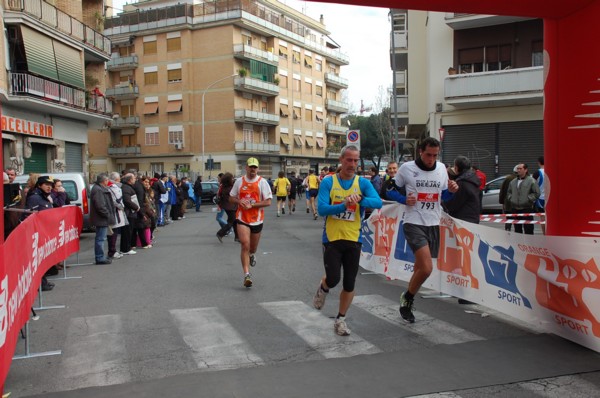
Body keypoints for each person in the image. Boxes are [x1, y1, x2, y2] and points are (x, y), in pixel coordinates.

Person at [312, 145, 383, 336]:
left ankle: (340, 319)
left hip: (354, 238)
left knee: (350, 282)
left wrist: (359, 201)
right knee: (334, 278)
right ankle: (323, 287)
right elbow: (323, 209)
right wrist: (344, 204)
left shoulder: (362, 183)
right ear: (341, 160)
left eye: (355, 160)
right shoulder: (329, 182)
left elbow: (378, 202)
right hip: (332, 238)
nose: (352, 164)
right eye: (349, 160)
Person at [393, 137, 459, 323]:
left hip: (433, 222)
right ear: (420, 152)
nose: (431, 159)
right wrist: (403, 200)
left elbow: (443, 196)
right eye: (428, 155)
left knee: (420, 267)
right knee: (427, 268)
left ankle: (408, 296)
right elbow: (388, 190)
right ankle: (407, 298)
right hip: (413, 222)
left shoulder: (441, 169)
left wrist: (452, 191)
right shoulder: (407, 168)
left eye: (434, 155)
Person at [229, 157, 273, 288]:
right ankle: (246, 274)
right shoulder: (239, 182)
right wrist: (239, 201)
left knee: (252, 248)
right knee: (244, 244)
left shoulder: (262, 182)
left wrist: (253, 206)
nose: (253, 169)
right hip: (242, 218)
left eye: (255, 167)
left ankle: (252, 254)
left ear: (258, 169)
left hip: (257, 220)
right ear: (246, 168)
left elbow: (268, 202)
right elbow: (231, 197)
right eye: (251, 167)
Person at [444, 156, 481, 224]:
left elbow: (453, 205)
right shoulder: (473, 179)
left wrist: (444, 201)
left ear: (456, 168)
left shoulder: (461, 183)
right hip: (472, 218)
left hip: (463, 221)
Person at [89, 173, 116, 265]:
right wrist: (107, 215)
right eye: (107, 180)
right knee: (100, 239)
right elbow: (100, 206)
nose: (108, 182)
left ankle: (100, 257)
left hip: (102, 218)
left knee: (101, 238)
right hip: (101, 218)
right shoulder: (98, 190)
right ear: (104, 181)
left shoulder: (99, 188)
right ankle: (100, 257)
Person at [506, 163, 540, 235]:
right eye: (517, 168)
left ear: (525, 170)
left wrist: (528, 199)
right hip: (515, 208)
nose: (518, 170)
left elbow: (537, 193)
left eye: (520, 168)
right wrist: (511, 198)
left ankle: (529, 244)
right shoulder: (513, 182)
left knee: (528, 229)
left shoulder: (531, 181)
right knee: (517, 230)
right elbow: (508, 192)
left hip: (526, 208)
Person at [107, 172, 127, 259]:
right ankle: (112, 251)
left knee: (114, 233)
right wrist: (122, 207)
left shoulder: (112, 187)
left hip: (116, 212)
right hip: (115, 213)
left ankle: (113, 250)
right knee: (113, 233)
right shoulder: (113, 187)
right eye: (119, 178)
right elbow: (117, 201)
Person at [120, 174, 141, 254]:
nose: (135, 179)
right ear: (129, 180)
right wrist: (136, 207)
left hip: (131, 212)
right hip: (129, 213)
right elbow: (127, 201)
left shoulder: (128, 187)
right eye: (134, 178)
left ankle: (127, 247)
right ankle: (125, 249)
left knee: (129, 231)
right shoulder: (126, 188)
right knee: (127, 231)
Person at [216, 172, 239, 242]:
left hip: (227, 206)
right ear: (229, 180)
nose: (233, 179)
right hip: (231, 207)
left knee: (235, 222)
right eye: (232, 178)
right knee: (231, 222)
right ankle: (220, 233)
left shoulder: (223, 187)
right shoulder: (230, 188)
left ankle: (237, 237)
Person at [499, 166, 518, 232]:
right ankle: (517, 232)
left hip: (508, 203)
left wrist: (502, 202)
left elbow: (502, 190)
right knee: (518, 220)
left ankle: (507, 231)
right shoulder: (523, 178)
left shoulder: (508, 178)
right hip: (519, 204)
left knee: (509, 219)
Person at [532, 156, 546, 235]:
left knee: (543, 218)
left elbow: (532, 185)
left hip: (541, 198)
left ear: (539, 163)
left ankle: (545, 234)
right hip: (550, 198)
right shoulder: (552, 170)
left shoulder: (537, 173)